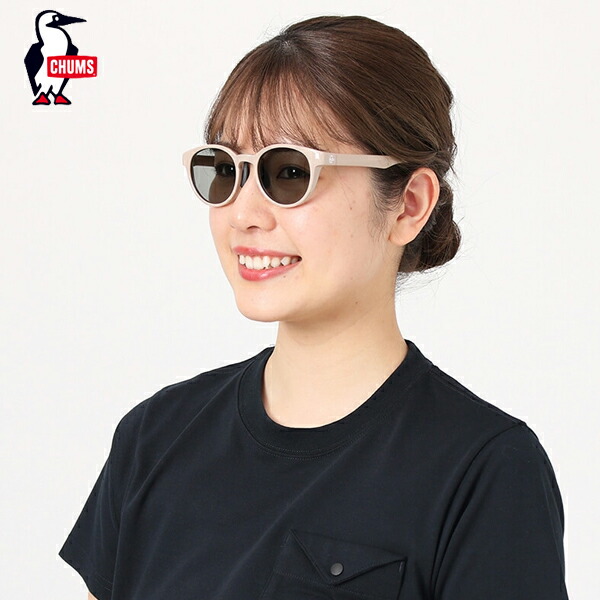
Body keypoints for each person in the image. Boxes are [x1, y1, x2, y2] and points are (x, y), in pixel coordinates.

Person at [58, 15, 569, 600]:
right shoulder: (154, 438)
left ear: (408, 204)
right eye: (225, 171)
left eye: (289, 172)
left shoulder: (484, 471)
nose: (244, 213)